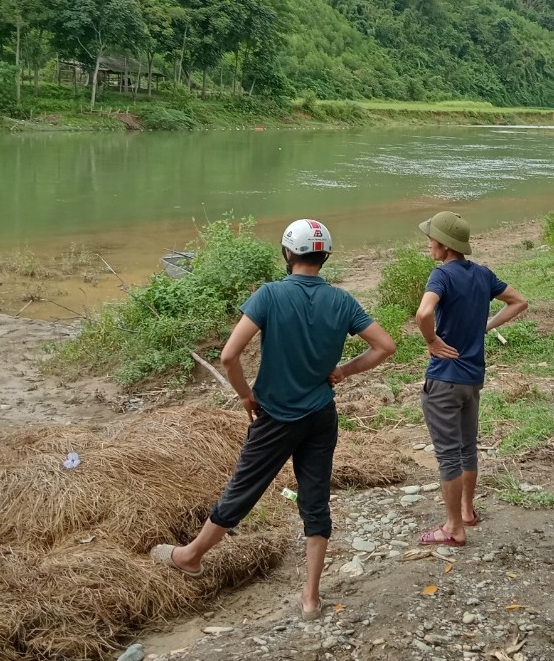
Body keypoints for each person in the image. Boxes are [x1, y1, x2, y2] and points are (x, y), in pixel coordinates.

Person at [151, 219, 395, 621]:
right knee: (314, 500)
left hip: (275, 416)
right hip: (321, 414)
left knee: (244, 488)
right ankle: (311, 599)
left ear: (287, 253)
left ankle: (190, 555)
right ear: (325, 257)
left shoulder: (269, 295)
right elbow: (385, 346)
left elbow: (229, 356)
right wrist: (344, 371)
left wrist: (245, 394)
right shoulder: (343, 301)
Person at [414, 211, 528, 547]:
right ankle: (466, 511)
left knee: (448, 455)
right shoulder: (482, 274)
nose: (428, 244)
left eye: (431, 239)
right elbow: (519, 302)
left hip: (444, 380)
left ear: (445, 245)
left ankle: (453, 529)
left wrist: (431, 340)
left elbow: (423, 313)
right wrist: (486, 325)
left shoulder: (442, 276)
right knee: (466, 449)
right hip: (472, 379)